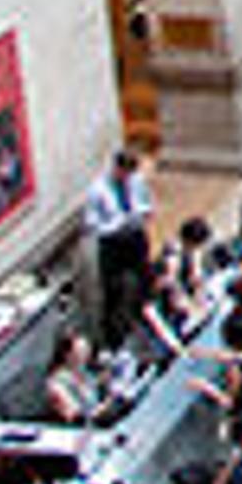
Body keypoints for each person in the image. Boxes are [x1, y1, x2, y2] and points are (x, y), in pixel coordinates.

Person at [84, 147, 155, 346]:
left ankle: (146, 321)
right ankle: (112, 339)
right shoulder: (97, 190)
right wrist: (115, 224)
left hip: (135, 236)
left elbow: (147, 202)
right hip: (112, 243)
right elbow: (91, 223)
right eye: (124, 174)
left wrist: (143, 212)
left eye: (130, 175)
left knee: (145, 279)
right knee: (113, 291)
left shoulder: (137, 181)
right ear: (116, 168)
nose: (127, 179)